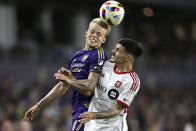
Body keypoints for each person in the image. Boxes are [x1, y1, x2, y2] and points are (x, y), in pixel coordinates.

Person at [23, 18, 111, 131]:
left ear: (103, 40)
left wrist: (71, 80)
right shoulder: (76, 56)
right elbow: (62, 86)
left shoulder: (99, 55)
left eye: (99, 34)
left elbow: (90, 87)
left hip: (90, 113)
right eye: (92, 31)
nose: (94, 35)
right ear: (86, 32)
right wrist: (38, 106)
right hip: (79, 112)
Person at [54, 38, 143, 131]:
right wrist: (72, 79)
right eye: (115, 48)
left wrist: (94, 115)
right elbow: (89, 84)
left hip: (112, 127)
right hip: (91, 125)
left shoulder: (132, 81)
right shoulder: (106, 65)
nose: (112, 51)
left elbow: (116, 110)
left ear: (127, 58)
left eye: (118, 50)